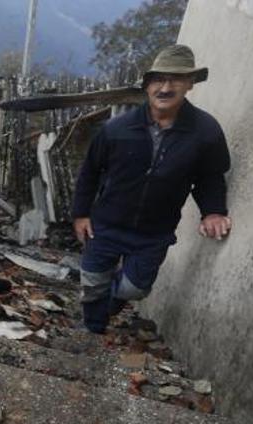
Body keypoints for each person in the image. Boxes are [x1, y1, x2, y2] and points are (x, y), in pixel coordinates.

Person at [71, 44, 232, 333]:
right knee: (93, 282)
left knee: (134, 289)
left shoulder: (205, 132)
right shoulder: (116, 129)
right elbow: (90, 172)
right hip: (106, 223)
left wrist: (213, 212)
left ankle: (105, 308)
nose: (165, 87)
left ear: (190, 84)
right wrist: (81, 214)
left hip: (153, 232)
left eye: (176, 79)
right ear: (147, 86)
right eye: (158, 79)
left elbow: (210, 177)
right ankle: (92, 333)